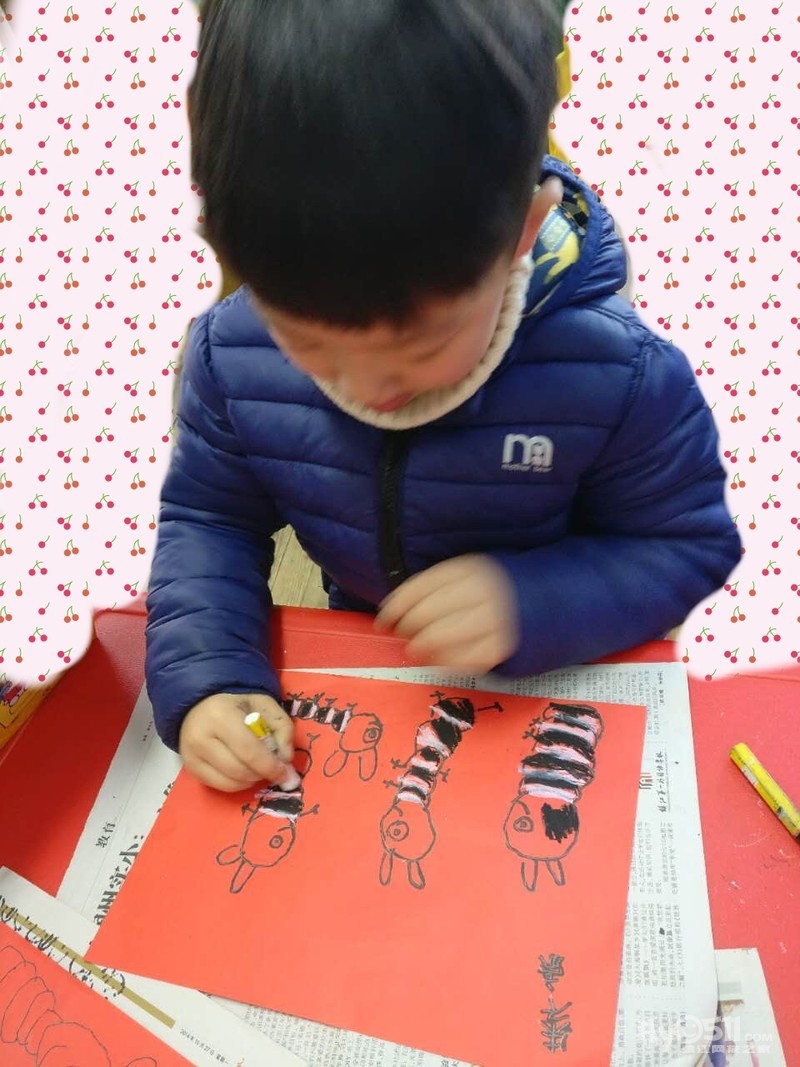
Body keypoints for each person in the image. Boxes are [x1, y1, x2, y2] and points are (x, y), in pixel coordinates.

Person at [145, 0, 740, 792]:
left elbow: (687, 545)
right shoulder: (234, 350)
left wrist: (531, 601)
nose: (363, 389)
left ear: (523, 233)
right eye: (310, 344)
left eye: (420, 348)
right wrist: (210, 674)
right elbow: (210, 517)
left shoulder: (620, 372)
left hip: (553, 691)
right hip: (373, 674)